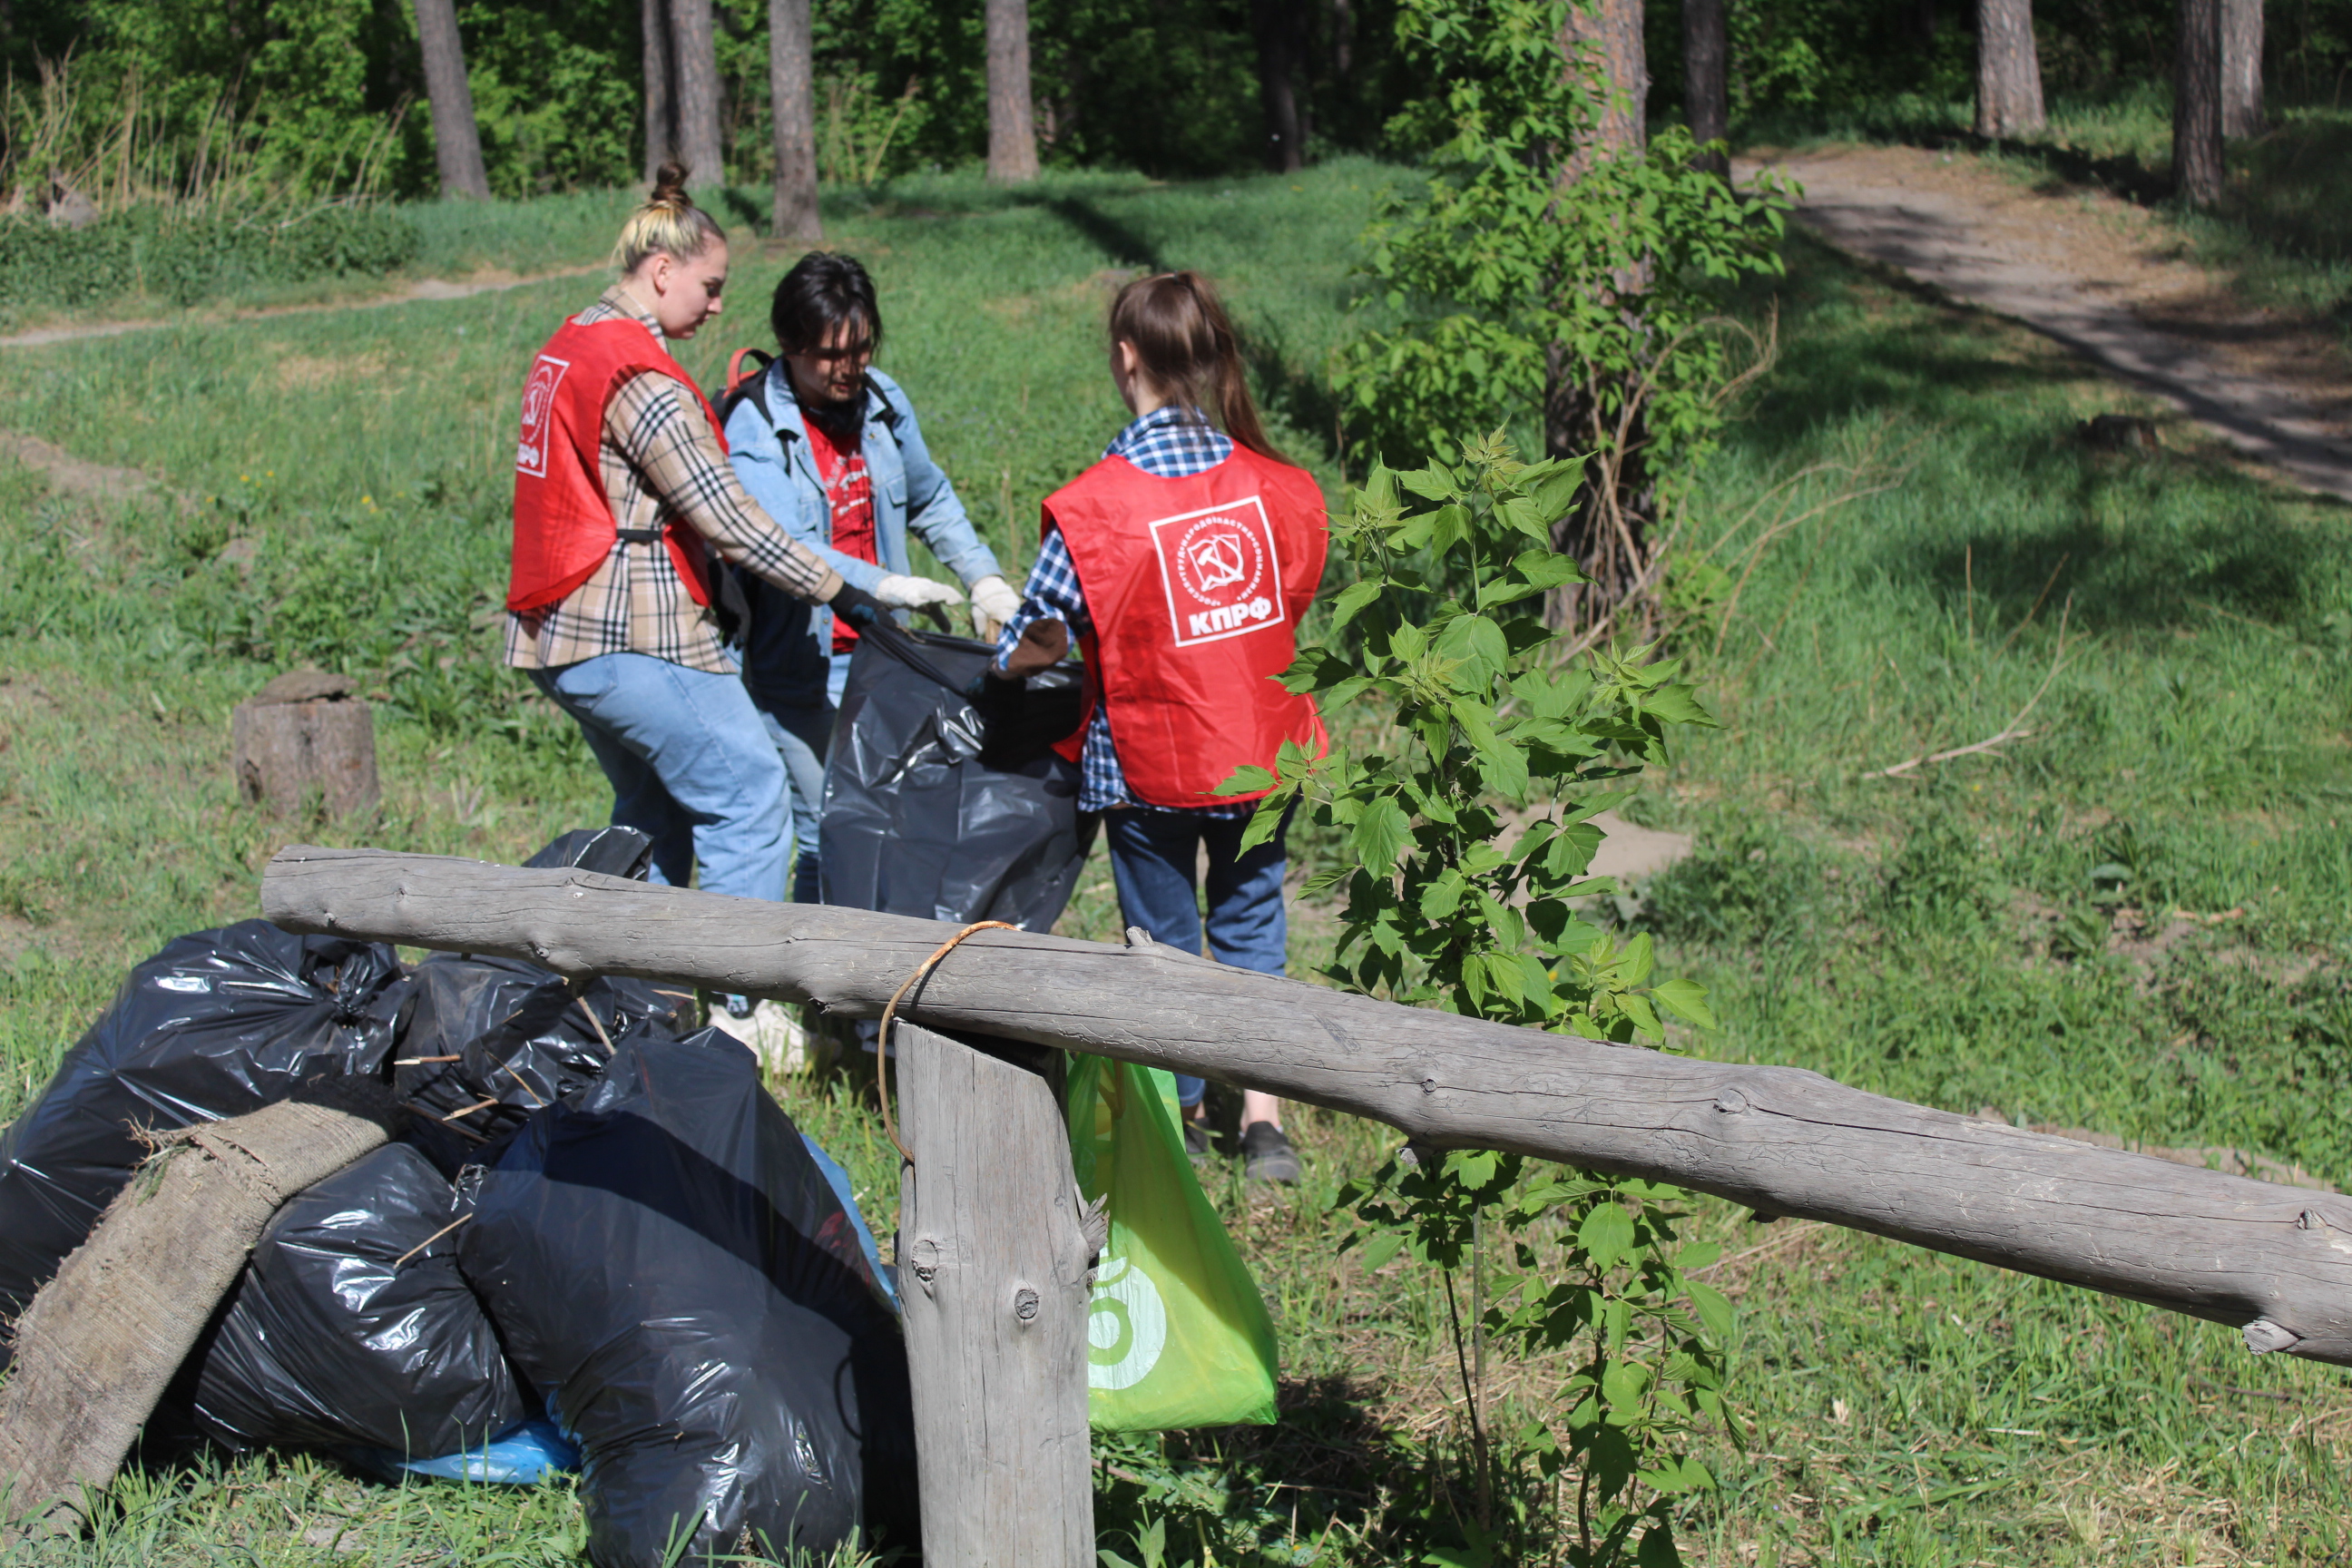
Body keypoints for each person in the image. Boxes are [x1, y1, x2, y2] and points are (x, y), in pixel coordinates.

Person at [505, 162, 883, 1054]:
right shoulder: (643, 378)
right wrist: (850, 584)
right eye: (711, 287)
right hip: (637, 629)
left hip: (561, 629)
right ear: (662, 268)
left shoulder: (571, 343)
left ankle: (637, 1004)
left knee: (656, 815)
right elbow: (729, 520)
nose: (718, 308)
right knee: (749, 794)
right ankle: (743, 1020)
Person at [991, 270, 1327, 1184]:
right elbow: (1293, 598)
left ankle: (1179, 1126)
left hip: (1148, 763)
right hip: (1264, 750)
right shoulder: (1280, 486)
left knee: (1163, 945)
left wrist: (1003, 648)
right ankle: (1264, 1119)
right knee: (1254, 917)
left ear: (1127, 355)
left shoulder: (1096, 505)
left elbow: (1040, 640)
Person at [726, 252, 1019, 903]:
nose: (849, 368)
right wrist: (884, 586)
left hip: (885, 658)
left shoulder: (882, 401)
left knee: (888, 823)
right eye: (831, 354)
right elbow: (785, 546)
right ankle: (811, 981)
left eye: (860, 348)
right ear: (791, 345)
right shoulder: (755, 426)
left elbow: (929, 497)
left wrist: (983, 577)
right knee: (827, 827)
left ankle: (859, 981)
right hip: (802, 664)